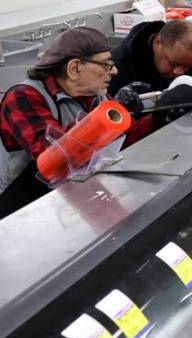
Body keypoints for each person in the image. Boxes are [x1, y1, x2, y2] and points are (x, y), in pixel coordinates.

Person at [0, 28, 157, 217]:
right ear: (74, 68)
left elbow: (125, 137)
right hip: (19, 208)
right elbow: (53, 157)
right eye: (106, 64)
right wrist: (109, 111)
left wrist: (160, 116)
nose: (114, 71)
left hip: (64, 196)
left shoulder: (94, 97)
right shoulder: (23, 97)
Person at [109, 19, 192, 96]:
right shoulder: (119, 67)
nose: (179, 72)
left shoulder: (189, 57)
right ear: (158, 43)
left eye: (187, 66)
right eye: (173, 64)